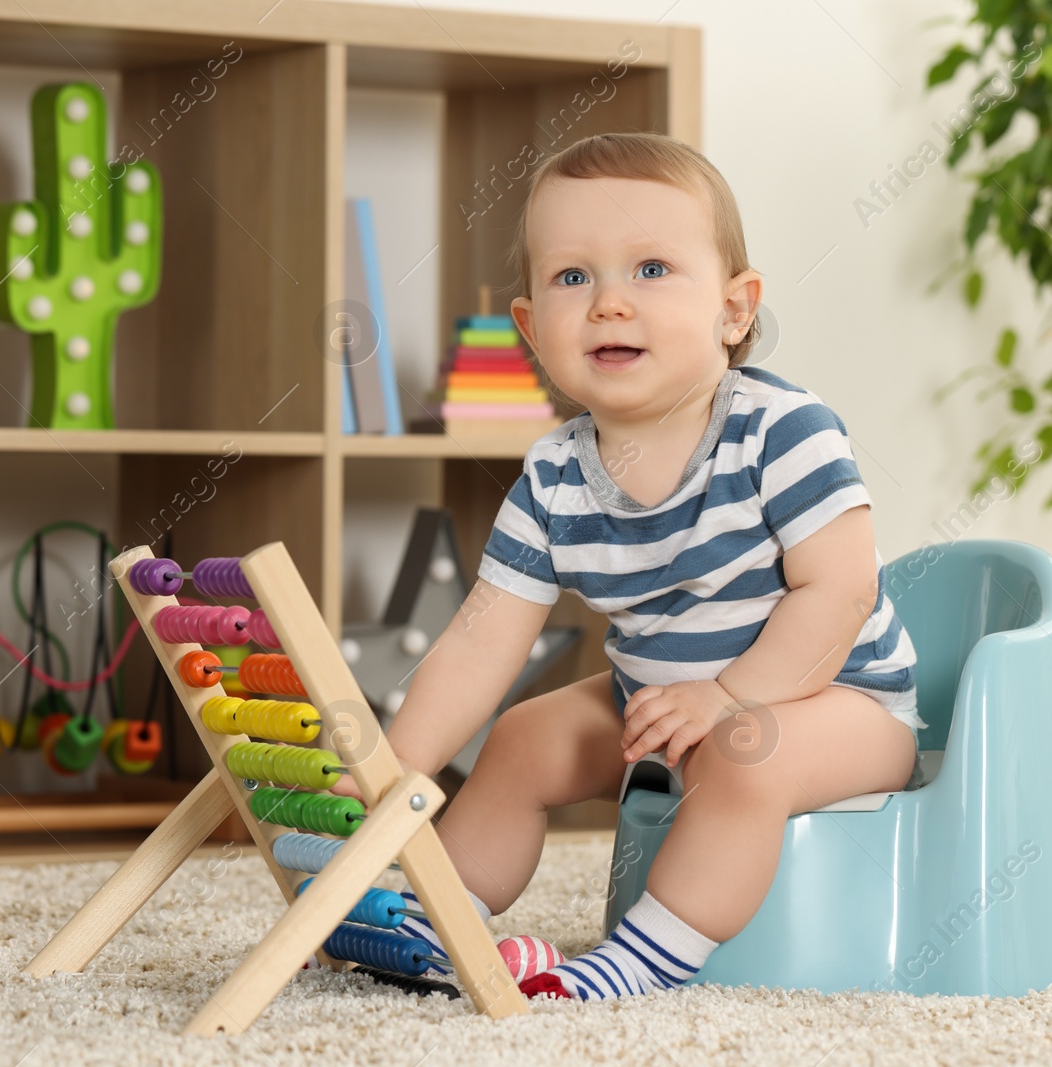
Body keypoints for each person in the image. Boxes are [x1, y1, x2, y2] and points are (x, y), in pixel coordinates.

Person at [335, 131, 924, 1000]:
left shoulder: (781, 429)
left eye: (651, 269)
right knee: (524, 738)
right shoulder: (555, 474)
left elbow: (839, 593)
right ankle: (439, 916)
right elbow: (477, 644)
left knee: (743, 754)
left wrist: (729, 698)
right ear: (533, 328)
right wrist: (393, 772)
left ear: (735, 310)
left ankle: (646, 956)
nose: (610, 302)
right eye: (574, 277)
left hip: (835, 702)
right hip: (655, 700)